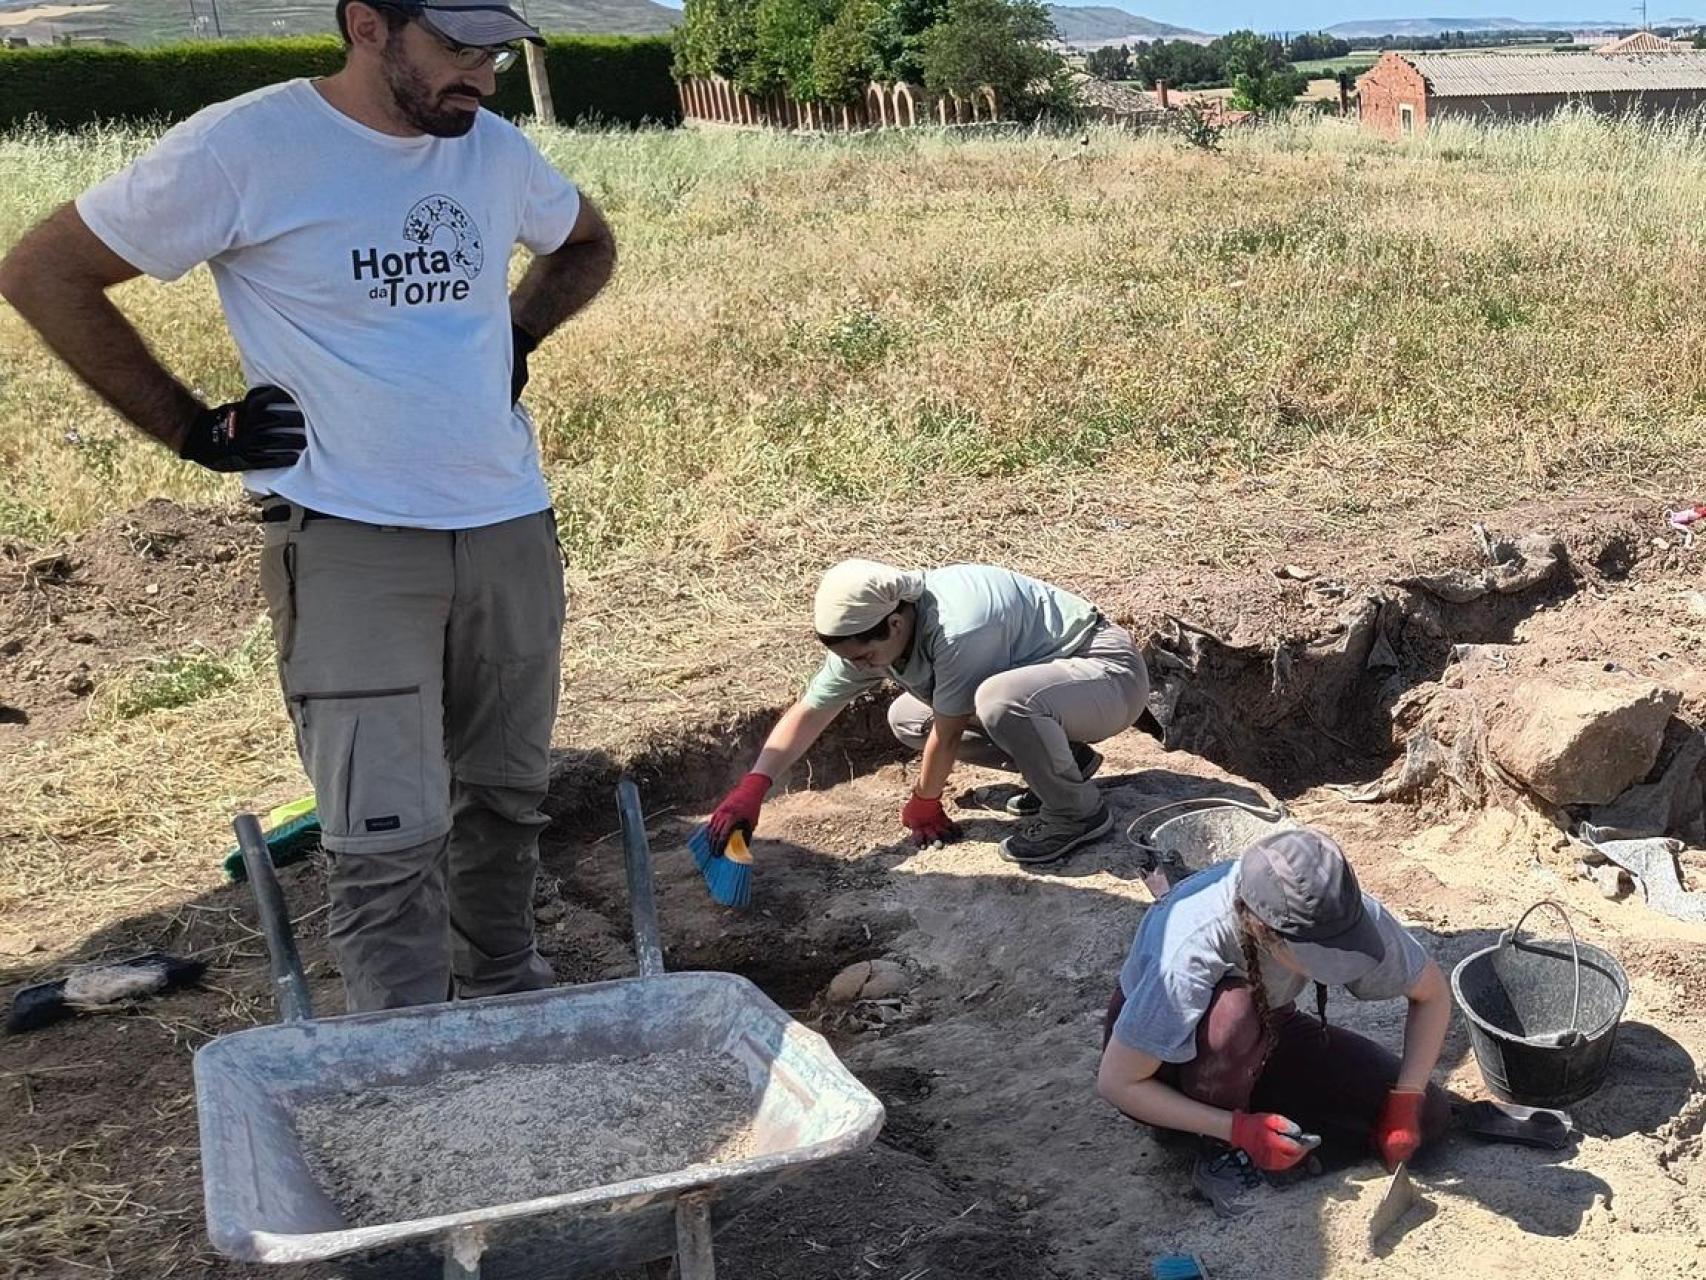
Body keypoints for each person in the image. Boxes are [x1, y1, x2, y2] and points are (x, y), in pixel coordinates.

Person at [0, 0, 617, 1011]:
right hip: (349, 543)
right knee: (387, 833)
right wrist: (193, 428)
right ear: (369, 25)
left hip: (507, 523)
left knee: (504, 798)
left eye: (496, 54)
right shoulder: (248, 147)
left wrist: (518, 333)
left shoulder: (493, 150)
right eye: (456, 48)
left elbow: (585, 242)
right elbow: (44, 272)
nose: (482, 76)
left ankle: (507, 999)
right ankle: (403, 1049)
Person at [1096, 828, 1453, 1218]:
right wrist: (1238, 1131)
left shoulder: (1340, 911)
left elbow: (1432, 995)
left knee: (1431, 1117)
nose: (1336, 964)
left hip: (1264, 1029)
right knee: (1235, 1015)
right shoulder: (1188, 949)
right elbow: (1117, 1082)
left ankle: (1266, 1121)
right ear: (1264, 933)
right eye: (1321, 955)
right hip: (1165, 1062)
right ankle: (1216, 1148)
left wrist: (1407, 1098)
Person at [706, 559, 1150, 865]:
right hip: (1055, 693)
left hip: (1106, 677)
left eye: (865, 657)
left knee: (999, 701)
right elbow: (813, 710)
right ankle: (1067, 764)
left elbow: (950, 730)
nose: (860, 668)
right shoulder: (870, 630)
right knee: (907, 717)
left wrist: (925, 800)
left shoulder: (958, 626)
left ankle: (1077, 813)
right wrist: (756, 784)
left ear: (895, 624)